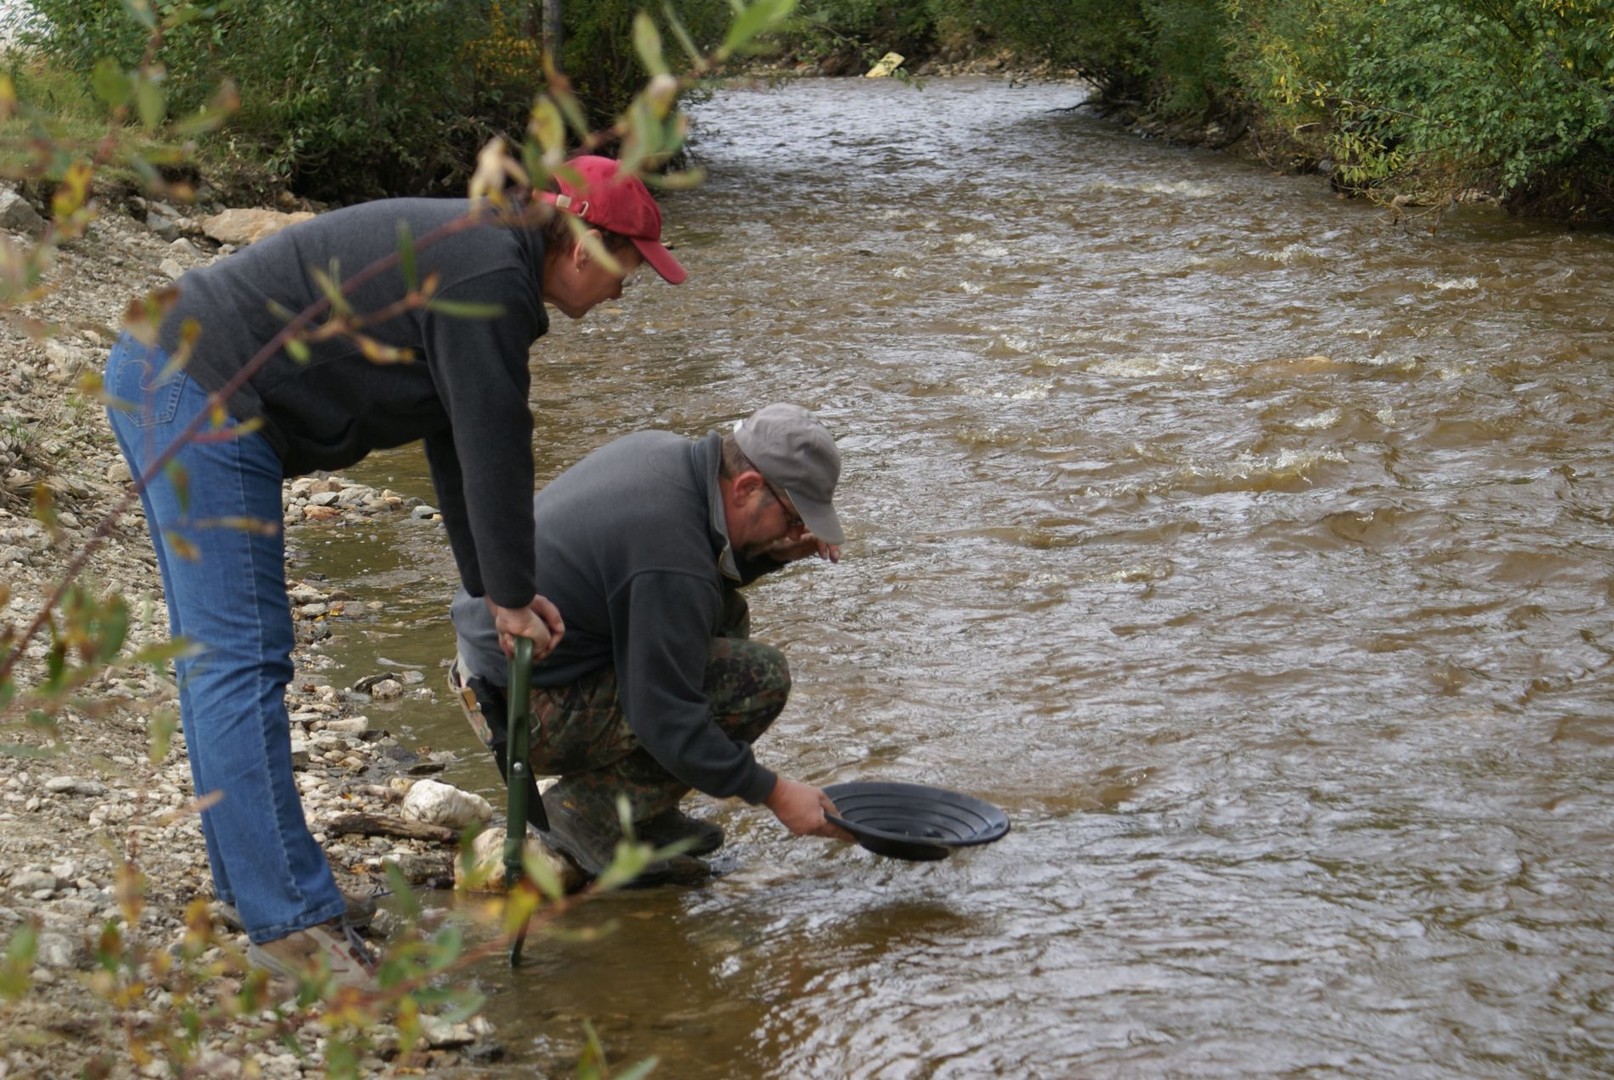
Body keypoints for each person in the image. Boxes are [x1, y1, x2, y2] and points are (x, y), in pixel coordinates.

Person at [102, 155, 684, 986]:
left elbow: (453, 435)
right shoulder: (491, 274)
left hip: (168, 366)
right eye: (629, 266)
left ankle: (256, 889)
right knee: (241, 658)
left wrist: (496, 590)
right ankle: (291, 924)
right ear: (584, 243)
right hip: (202, 387)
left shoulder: (487, 257)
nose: (625, 290)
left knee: (219, 658)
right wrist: (512, 597)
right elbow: (495, 440)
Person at [449, 403, 854, 883]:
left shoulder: (670, 461)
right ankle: (585, 813)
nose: (795, 532)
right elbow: (665, 714)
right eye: (792, 519)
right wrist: (775, 793)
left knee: (726, 617)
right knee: (759, 679)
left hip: (496, 664)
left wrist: (776, 553)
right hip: (520, 704)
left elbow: (687, 588)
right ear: (747, 488)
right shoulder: (670, 548)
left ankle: (642, 808)